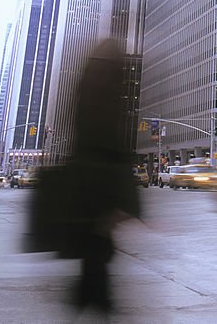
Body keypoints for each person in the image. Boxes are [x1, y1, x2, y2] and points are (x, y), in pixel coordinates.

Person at [65, 41, 140, 313]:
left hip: (85, 178)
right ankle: (93, 297)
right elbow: (110, 141)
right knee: (99, 245)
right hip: (101, 181)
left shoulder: (86, 85)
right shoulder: (107, 92)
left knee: (95, 244)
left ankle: (88, 295)